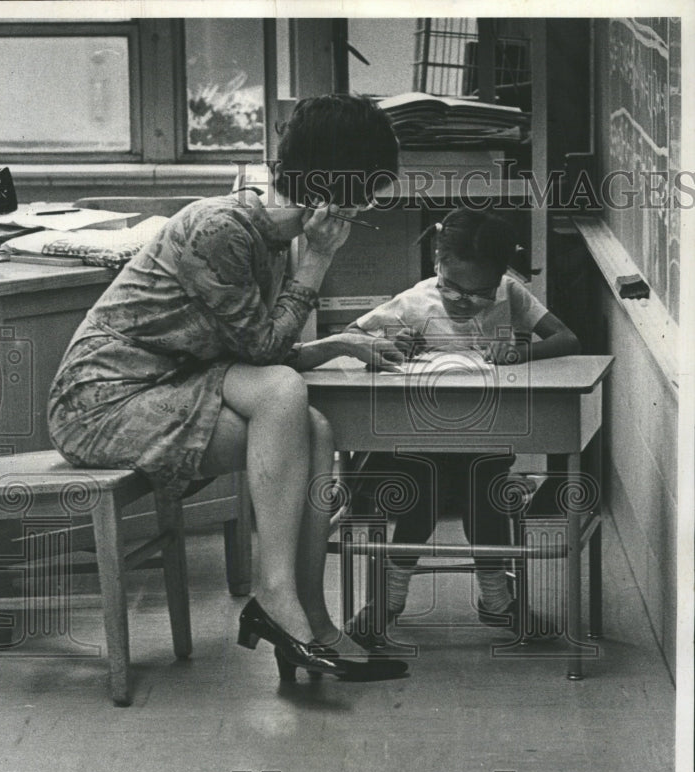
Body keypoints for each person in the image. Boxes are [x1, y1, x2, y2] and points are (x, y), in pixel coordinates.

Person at [48, 94, 408, 684]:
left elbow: (253, 346)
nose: (365, 208)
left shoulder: (265, 234)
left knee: (313, 426)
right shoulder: (222, 229)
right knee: (285, 395)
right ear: (334, 188)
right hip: (101, 403)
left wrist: (341, 344)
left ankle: (310, 616)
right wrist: (316, 262)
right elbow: (265, 354)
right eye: (364, 193)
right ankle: (274, 597)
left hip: (170, 383)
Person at [343, 207, 581, 647]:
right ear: (437, 260)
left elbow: (567, 339)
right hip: (419, 435)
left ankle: (497, 602)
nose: (465, 302)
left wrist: (521, 354)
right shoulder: (415, 301)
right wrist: (389, 343)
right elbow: (350, 337)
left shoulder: (511, 293)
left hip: (487, 430)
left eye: (481, 294)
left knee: (488, 505)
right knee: (418, 505)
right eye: (453, 289)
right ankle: (388, 601)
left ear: (500, 276)